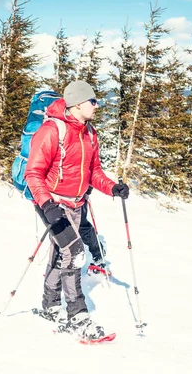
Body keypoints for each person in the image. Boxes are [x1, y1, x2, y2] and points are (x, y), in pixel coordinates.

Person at [25, 80, 129, 340]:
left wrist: (113, 188)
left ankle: (50, 305)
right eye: (93, 101)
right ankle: (78, 315)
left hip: (76, 203)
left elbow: (93, 172)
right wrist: (47, 205)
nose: (97, 106)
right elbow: (33, 173)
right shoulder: (52, 130)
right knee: (74, 252)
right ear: (79, 103)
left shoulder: (89, 133)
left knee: (62, 253)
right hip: (52, 202)